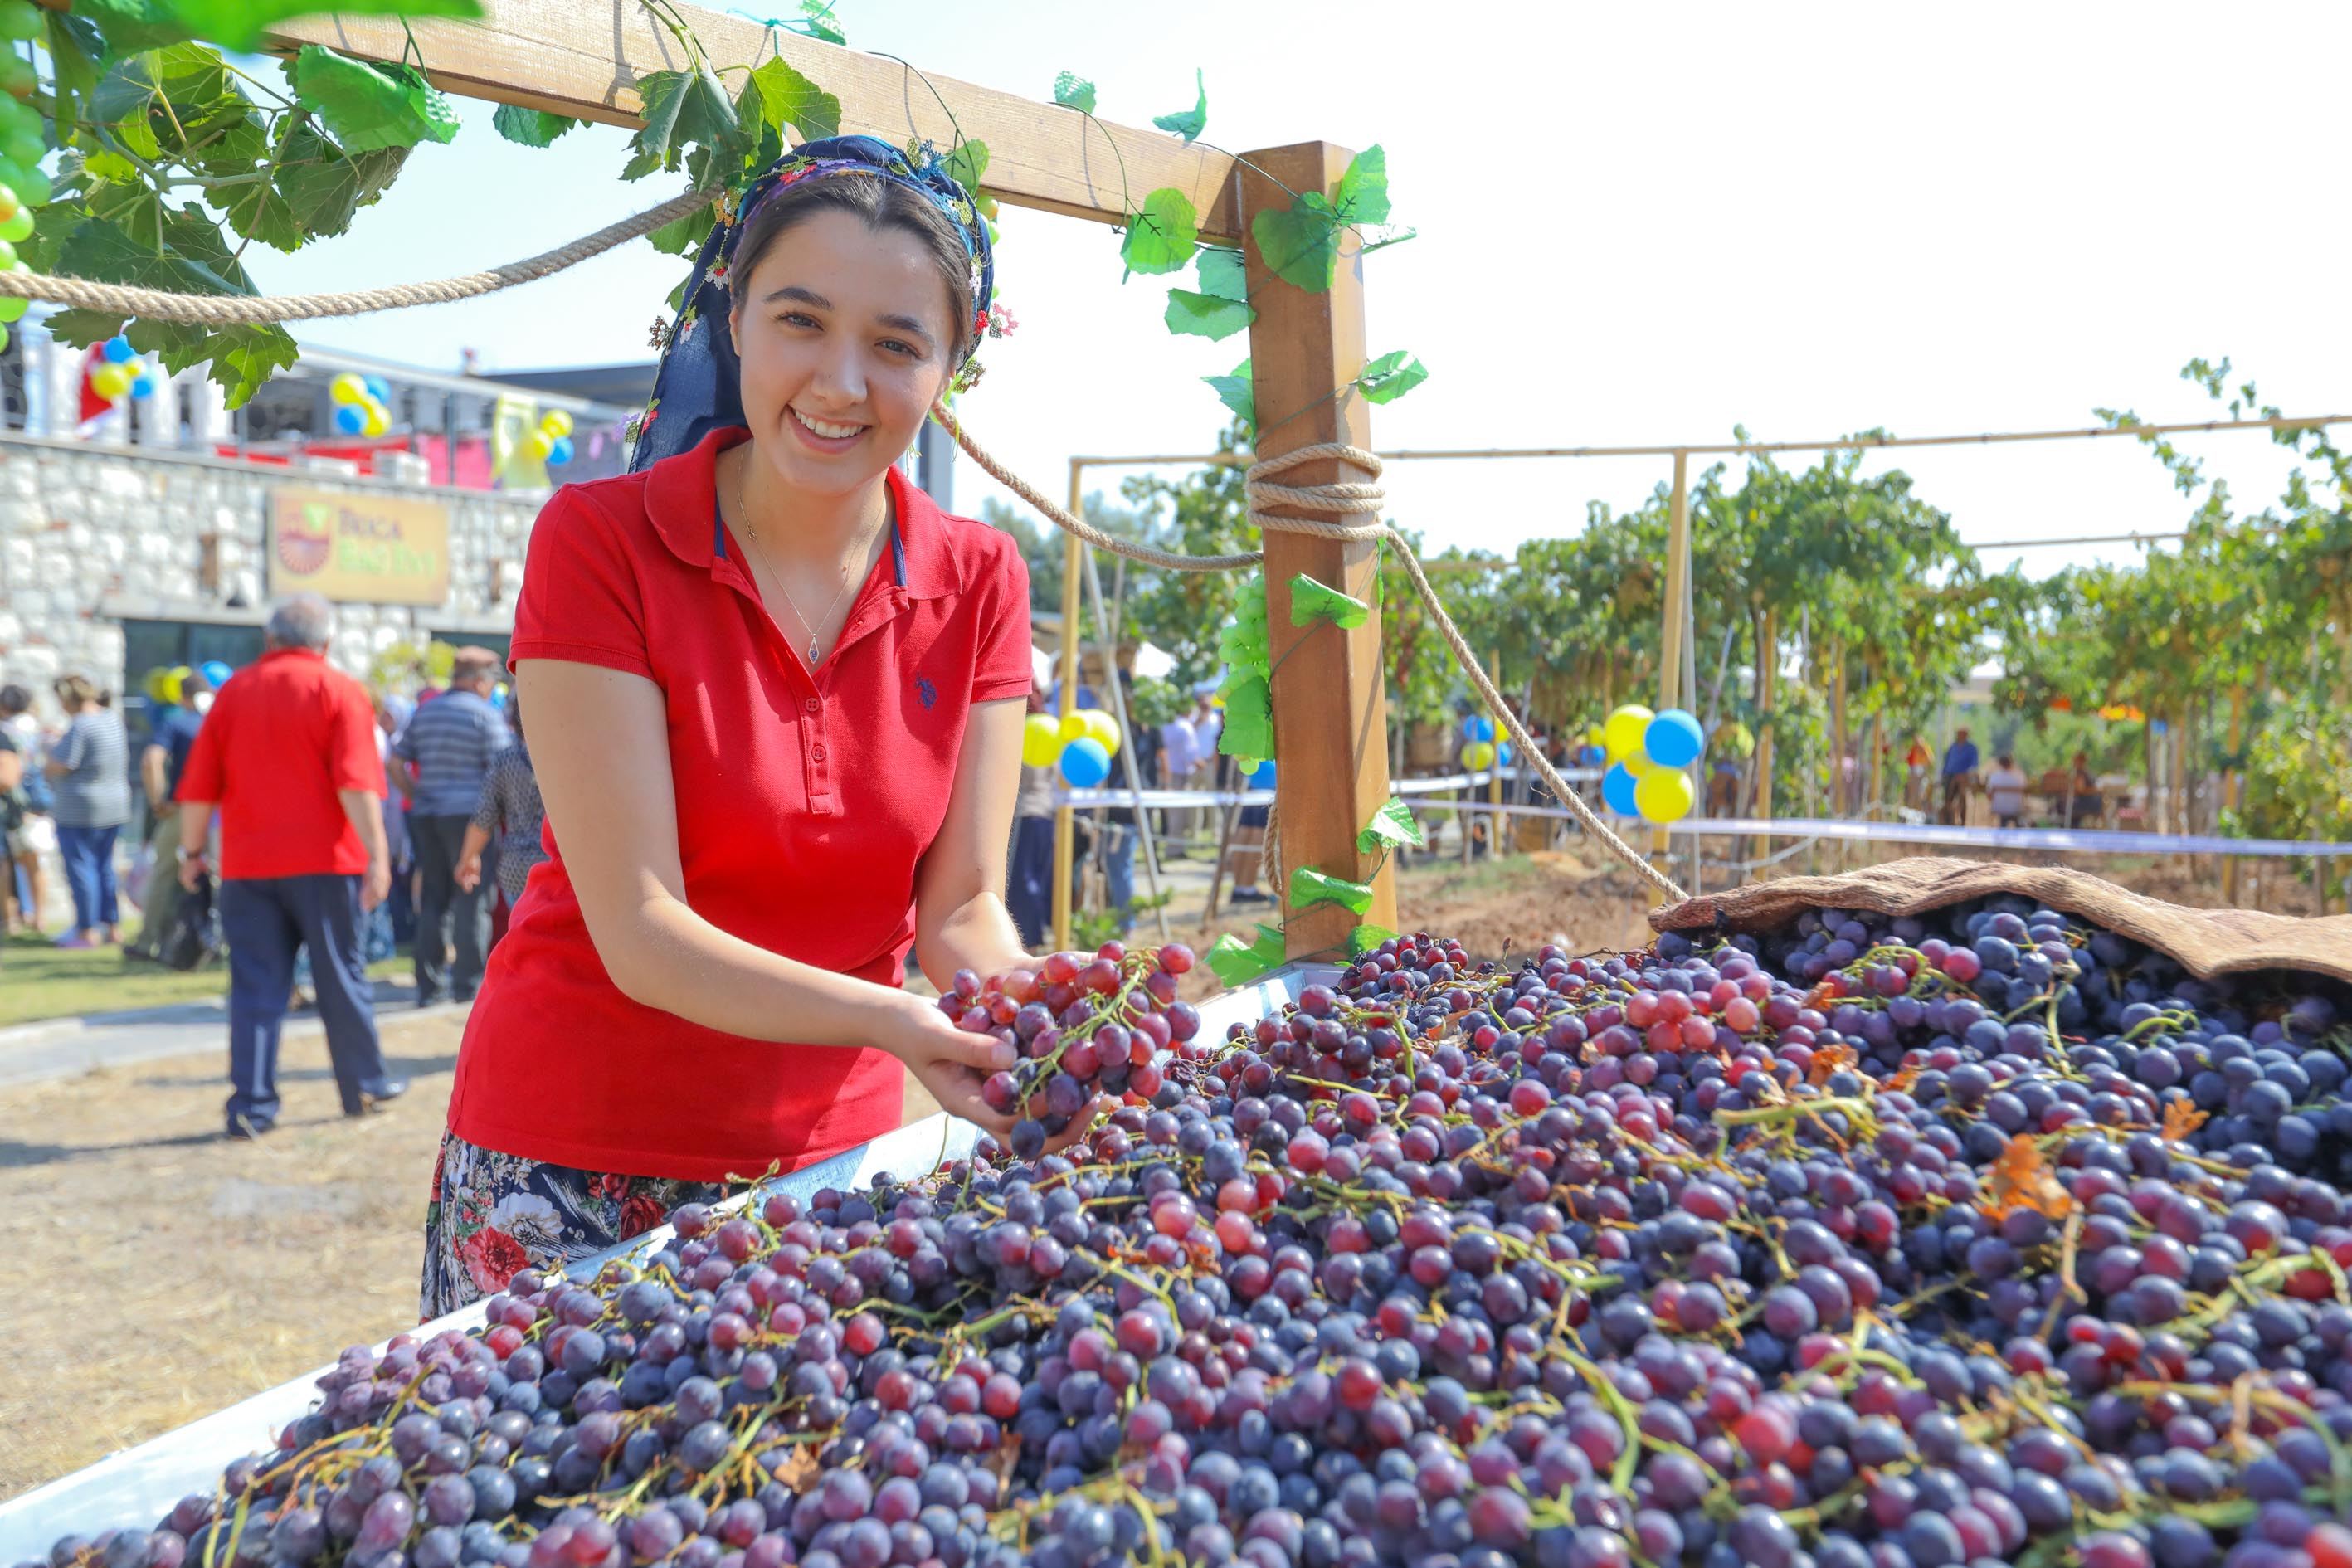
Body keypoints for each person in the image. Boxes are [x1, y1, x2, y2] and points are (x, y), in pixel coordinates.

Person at [421, 135, 1047, 1315]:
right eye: (799, 320)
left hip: (832, 1168)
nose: (839, 383)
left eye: (897, 345)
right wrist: (901, 1020)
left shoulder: (981, 577)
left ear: (953, 367)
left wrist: (1048, 1011)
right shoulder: (598, 539)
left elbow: (961, 908)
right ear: (734, 318)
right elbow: (642, 928)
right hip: (567, 1169)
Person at [175, 595, 406, 1138]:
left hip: (248, 866)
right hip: (327, 863)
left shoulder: (232, 692)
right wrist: (378, 856)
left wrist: (191, 856)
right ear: (324, 643)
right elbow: (355, 783)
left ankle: (251, 1108)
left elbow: (199, 788)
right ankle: (364, 1084)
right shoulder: (339, 689)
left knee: (255, 988)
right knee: (341, 978)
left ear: (268, 639)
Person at [393, 646, 513, 1005]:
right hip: (471, 819)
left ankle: (429, 987)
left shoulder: (426, 712)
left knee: (433, 898)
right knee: (473, 900)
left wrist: (419, 795)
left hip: (427, 815)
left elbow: (395, 764)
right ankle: (467, 986)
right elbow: (502, 771)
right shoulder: (485, 716)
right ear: (479, 681)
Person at [127, 665, 213, 962]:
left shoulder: (177, 723)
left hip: (184, 807)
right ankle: (219, 943)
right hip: (221, 810)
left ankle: (146, 942)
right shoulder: (219, 722)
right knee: (222, 874)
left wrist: (157, 800)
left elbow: (152, 760)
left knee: (163, 872)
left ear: (182, 697)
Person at [45, 674, 131, 947]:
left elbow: (63, 763)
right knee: (105, 867)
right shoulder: (111, 719)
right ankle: (112, 926)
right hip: (114, 804)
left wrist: (48, 751)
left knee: (81, 869)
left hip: (81, 808)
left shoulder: (80, 725)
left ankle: (86, 932)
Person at [455, 689, 544, 921]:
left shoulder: (506, 760)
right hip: (560, 865)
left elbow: (484, 817)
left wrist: (468, 858)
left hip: (517, 867)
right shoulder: (569, 758)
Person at [0, 684, 46, 933]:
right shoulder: (35, 727)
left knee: (5, 861)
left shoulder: (5, 731)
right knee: (34, 862)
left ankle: (11, 920)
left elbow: (7, 775)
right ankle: (38, 917)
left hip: (12, 803)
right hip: (36, 800)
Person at [1940, 727, 1980, 825]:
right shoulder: (1953, 747)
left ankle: (1962, 820)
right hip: (1950, 776)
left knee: (1962, 798)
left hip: (1964, 777)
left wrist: (1968, 774)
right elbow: (1947, 762)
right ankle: (1948, 821)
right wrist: (1943, 774)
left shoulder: (1971, 748)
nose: (1960, 735)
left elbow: (1974, 764)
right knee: (1947, 799)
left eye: (1963, 733)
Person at [1986, 752, 2028, 830]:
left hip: (2000, 808)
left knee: (2003, 819)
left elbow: (1989, 795)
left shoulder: (1994, 777)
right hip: (2016, 808)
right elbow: (2025, 791)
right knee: (2019, 816)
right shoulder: (2019, 775)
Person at [2068, 751, 2104, 826]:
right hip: (2083, 803)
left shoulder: (2085, 772)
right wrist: (2096, 791)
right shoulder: (2079, 773)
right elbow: (2080, 790)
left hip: (2090, 801)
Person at [1904, 737, 1931, 812]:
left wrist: (1925, 772)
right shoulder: (1913, 749)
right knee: (1912, 794)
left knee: (1919, 794)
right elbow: (1908, 761)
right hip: (1913, 773)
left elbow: (1929, 760)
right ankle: (1912, 811)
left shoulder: (1925, 749)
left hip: (1920, 774)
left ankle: (1919, 811)